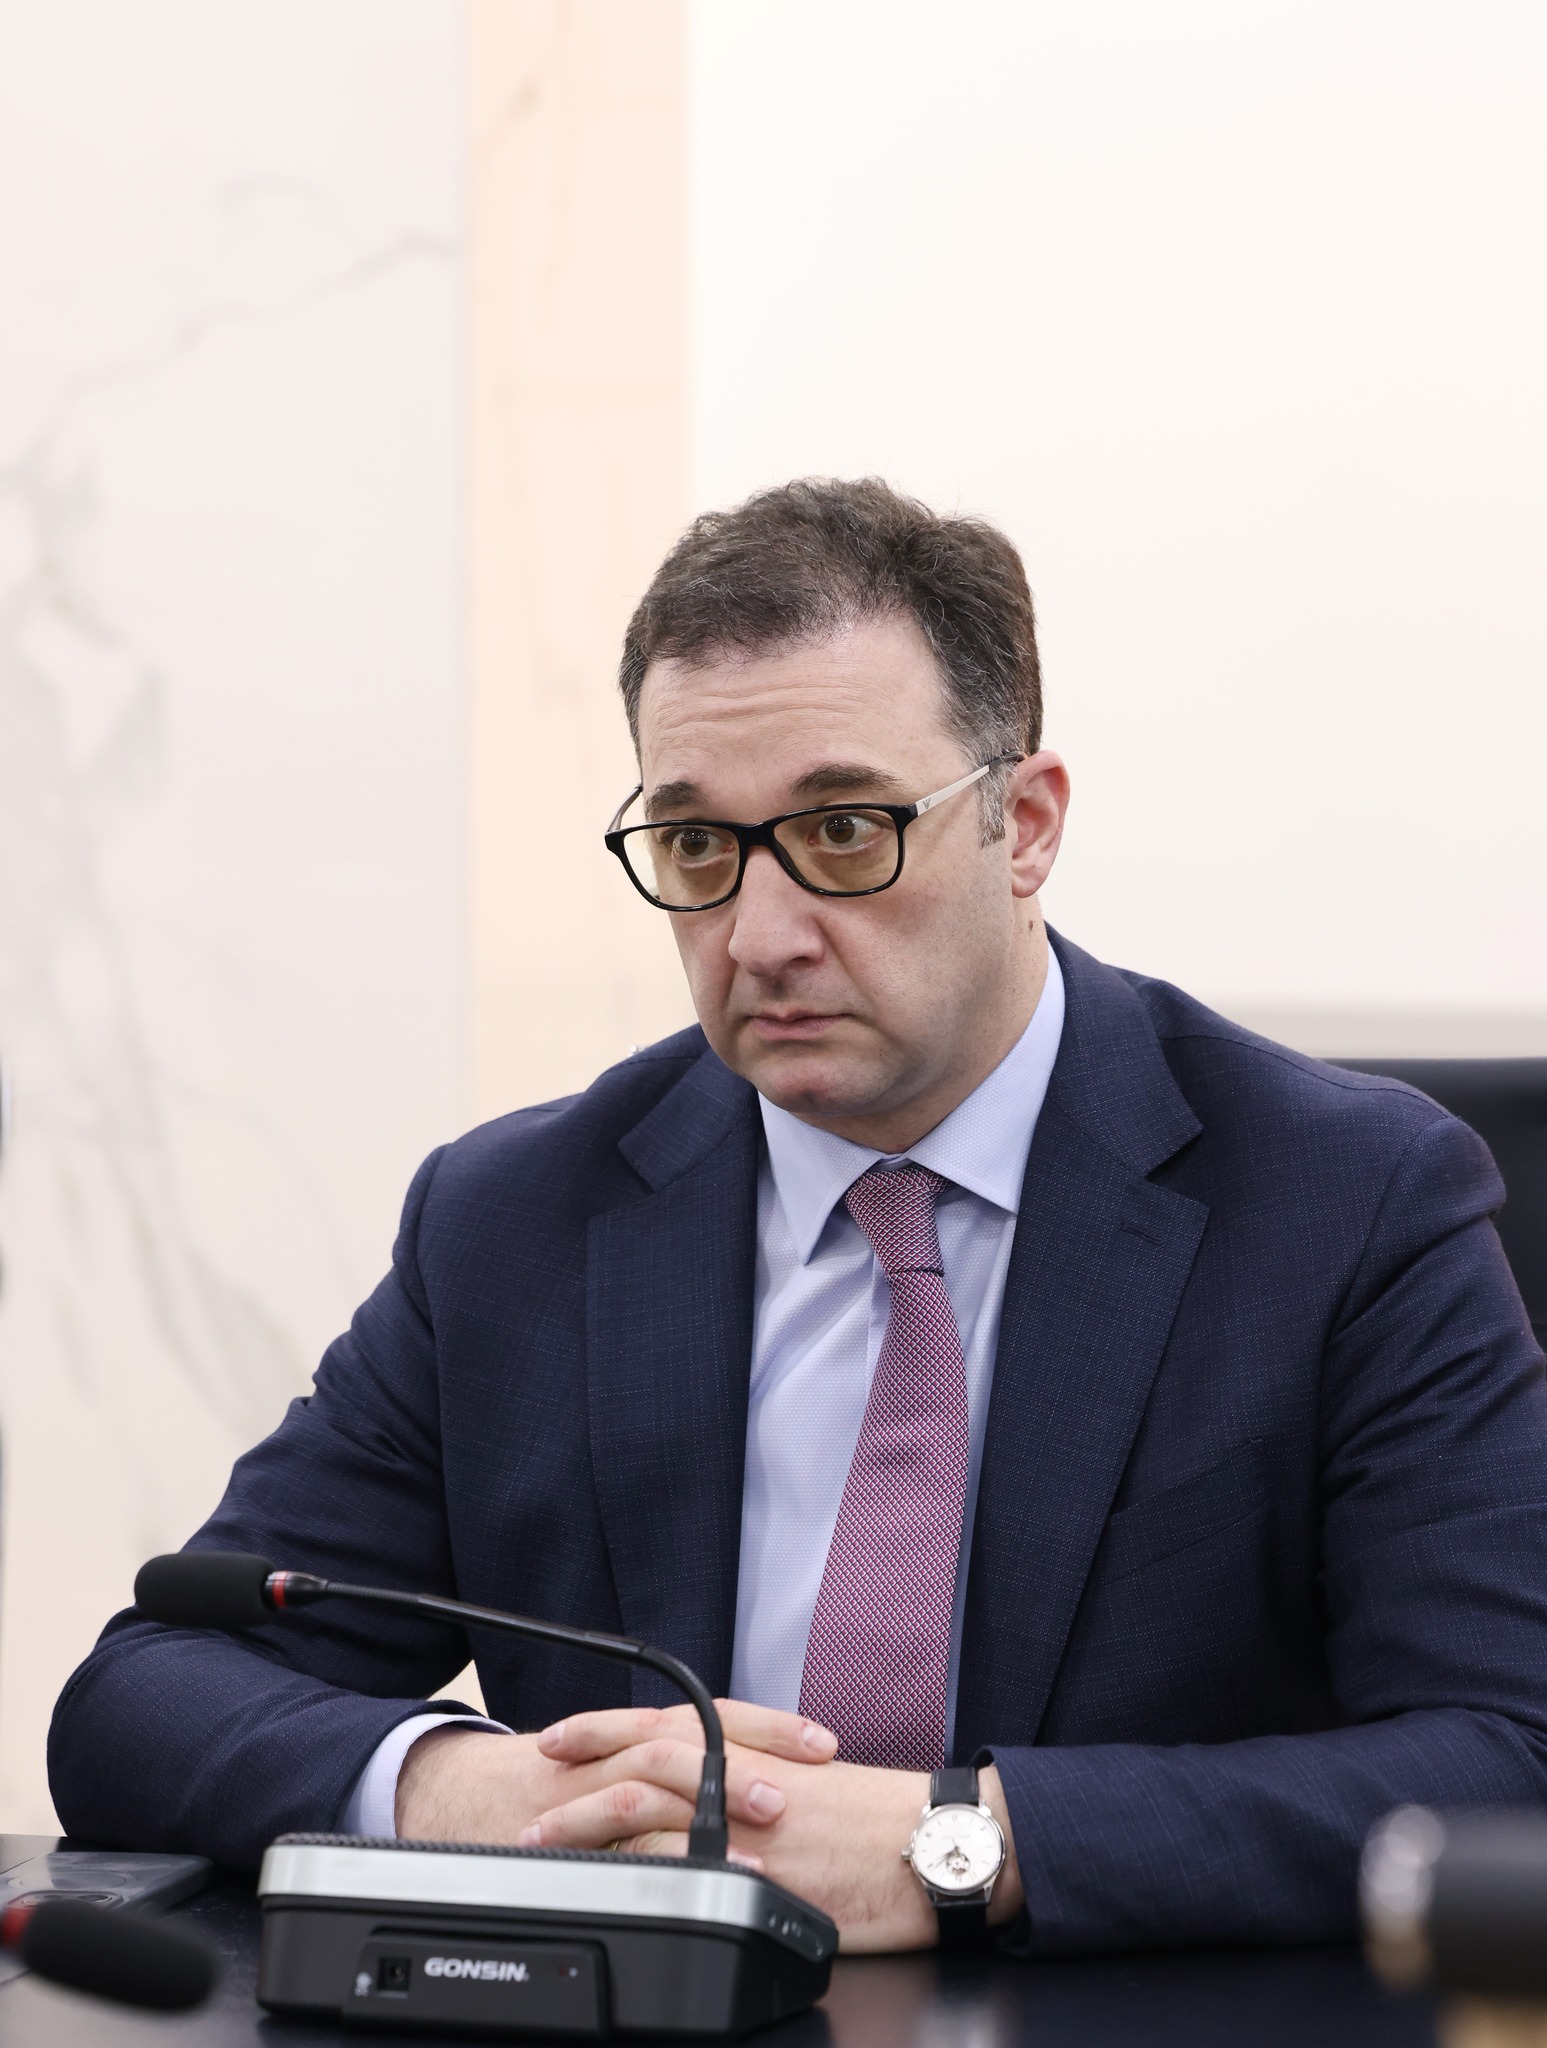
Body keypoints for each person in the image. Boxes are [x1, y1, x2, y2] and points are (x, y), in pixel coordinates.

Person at [49, 479, 1547, 1957]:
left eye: (843, 831)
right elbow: (150, 1689)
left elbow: (1509, 1754)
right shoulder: (517, 1222)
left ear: (1025, 826)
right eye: (698, 848)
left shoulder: (1344, 1202)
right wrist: (467, 1792)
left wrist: (965, 1845)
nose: (759, 937)